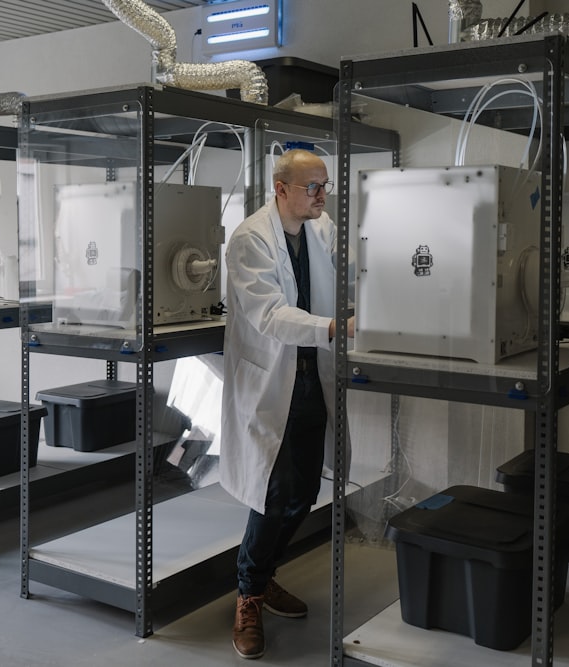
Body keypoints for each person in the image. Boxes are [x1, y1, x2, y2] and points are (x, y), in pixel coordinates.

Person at [220, 148, 354, 660]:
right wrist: (334, 328)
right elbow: (270, 314)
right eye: (312, 187)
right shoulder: (250, 238)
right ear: (281, 188)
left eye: (324, 186)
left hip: (310, 378)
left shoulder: (319, 230)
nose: (322, 195)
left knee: (304, 491)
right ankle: (249, 595)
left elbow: (347, 273)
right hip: (270, 381)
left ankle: (265, 575)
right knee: (271, 492)